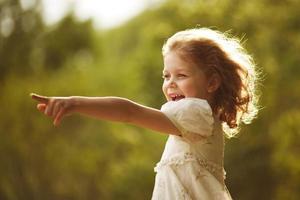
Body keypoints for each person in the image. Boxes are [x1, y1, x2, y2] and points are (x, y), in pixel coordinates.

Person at [31, 27, 259, 200]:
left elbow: (129, 112)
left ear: (212, 82)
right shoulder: (199, 119)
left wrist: (75, 103)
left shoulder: (195, 112)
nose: (170, 84)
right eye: (166, 76)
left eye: (181, 75)